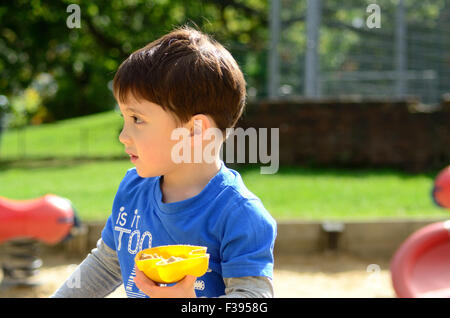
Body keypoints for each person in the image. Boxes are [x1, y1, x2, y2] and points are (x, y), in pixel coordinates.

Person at [51, 25, 277, 298]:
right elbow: (106, 263)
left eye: (137, 119)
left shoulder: (240, 215)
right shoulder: (133, 189)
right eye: (123, 119)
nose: (123, 136)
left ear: (194, 131)